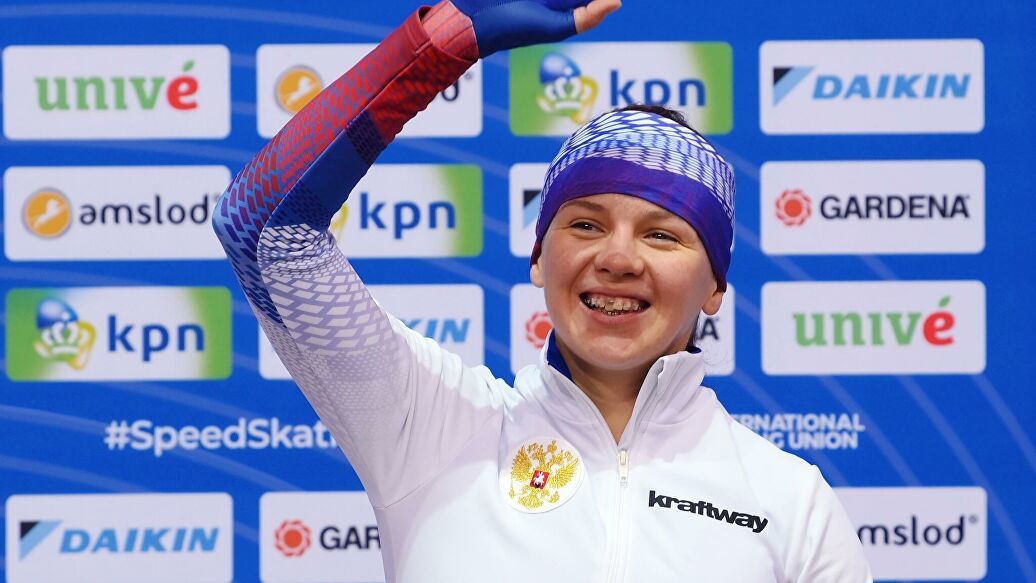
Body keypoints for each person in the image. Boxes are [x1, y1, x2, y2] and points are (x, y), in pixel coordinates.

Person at [212, 0, 872, 580]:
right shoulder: (433, 426)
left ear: (715, 287)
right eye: (586, 224)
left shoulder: (789, 501)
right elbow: (261, 225)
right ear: (538, 258)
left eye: (662, 234)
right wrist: (439, 45)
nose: (618, 258)